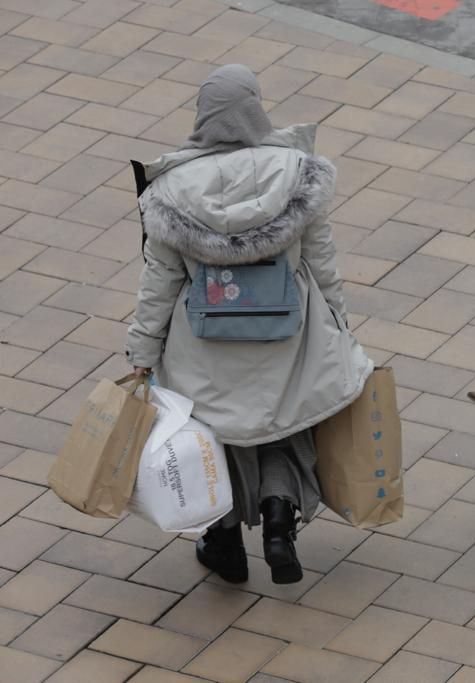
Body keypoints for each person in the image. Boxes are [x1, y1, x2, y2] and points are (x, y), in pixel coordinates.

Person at [126, 65, 371, 584]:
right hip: (289, 335)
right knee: (283, 426)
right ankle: (280, 522)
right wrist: (339, 322)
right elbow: (323, 261)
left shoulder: (169, 193)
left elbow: (159, 284)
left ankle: (226, 544)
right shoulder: (296, 173)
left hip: (204, 344)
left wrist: (142, 352)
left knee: (215, 437)